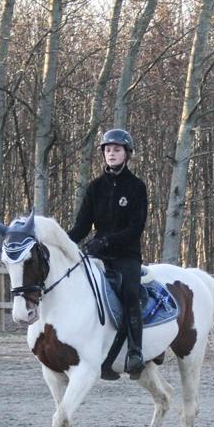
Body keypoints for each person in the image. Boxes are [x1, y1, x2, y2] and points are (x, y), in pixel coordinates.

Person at [67, 128, 149, 380]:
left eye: (117, 149)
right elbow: (82, 225)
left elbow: (135, 229)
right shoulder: (94, 187)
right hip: (98, 257)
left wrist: (104, 241)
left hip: (126, 255)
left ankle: (135, 351)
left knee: (130, 293)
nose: (112, 153)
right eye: (108, 150)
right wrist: (64, 243)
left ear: (127, 154)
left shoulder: (136, 187)